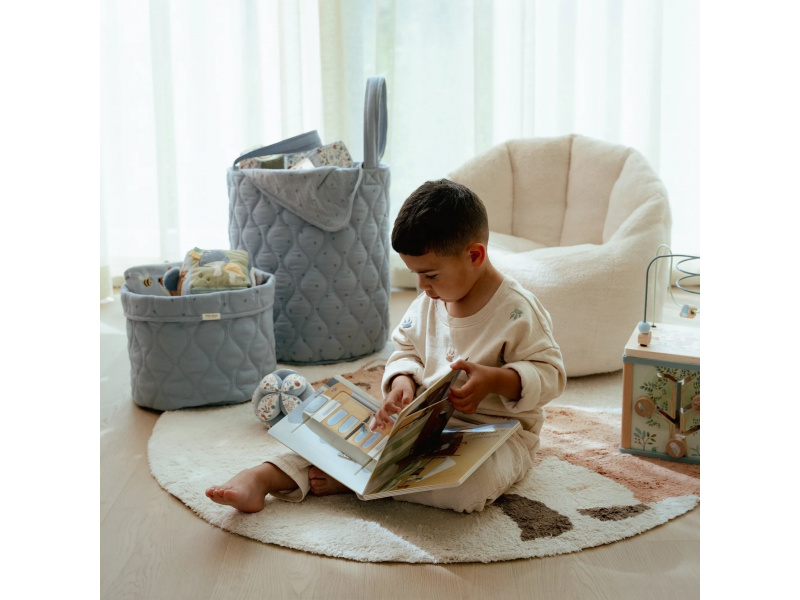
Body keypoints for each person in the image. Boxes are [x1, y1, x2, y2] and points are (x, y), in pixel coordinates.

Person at [206, 178, 566, 514]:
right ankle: (264, 476)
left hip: (499, 436)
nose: (422, 286)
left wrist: (495, 380)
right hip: (423, 426)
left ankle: (360, 481)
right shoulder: (429, 301)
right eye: (415, 274)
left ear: (474, 256)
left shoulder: (518, 311)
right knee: (340, 432)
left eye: (430, 274)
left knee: (469, 488)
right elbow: (406, 351)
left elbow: (550, 374)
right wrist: (402, 383)